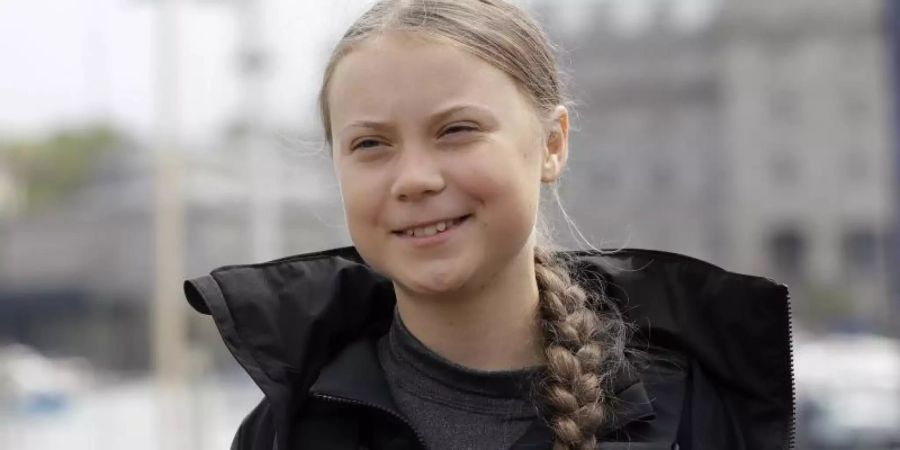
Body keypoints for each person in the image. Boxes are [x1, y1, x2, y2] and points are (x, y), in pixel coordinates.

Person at [184, 0, 795, 449]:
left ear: (552, 144)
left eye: (456, 130)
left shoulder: (694, 416)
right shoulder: (286, 432)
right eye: (371, 143)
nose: (415, 178)